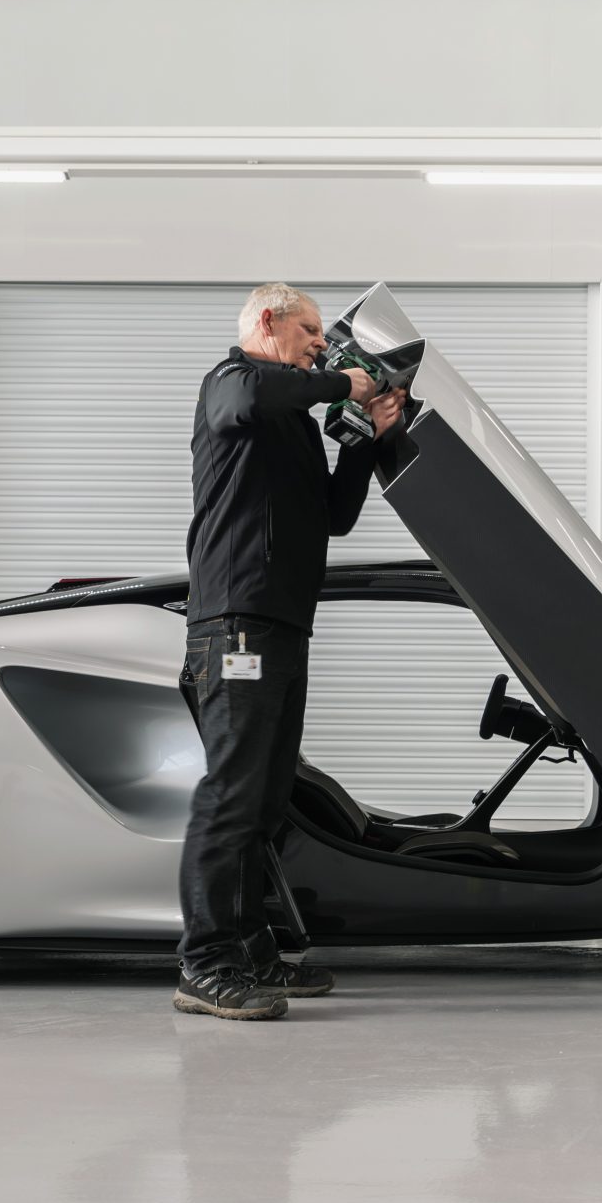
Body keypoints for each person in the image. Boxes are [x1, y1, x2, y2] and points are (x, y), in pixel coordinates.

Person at [174, 284, 404, 1021]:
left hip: (280, 626)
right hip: (235, 625)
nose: (321, 346)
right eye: (311, 332)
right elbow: (250, 397)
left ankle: (251, 953)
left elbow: (334, 516)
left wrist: (366, 439)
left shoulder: (293, 422)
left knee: (265, 801)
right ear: (268, 323)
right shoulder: (230, 381)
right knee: (232, 795)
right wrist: (346, 383)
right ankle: (205, 964)